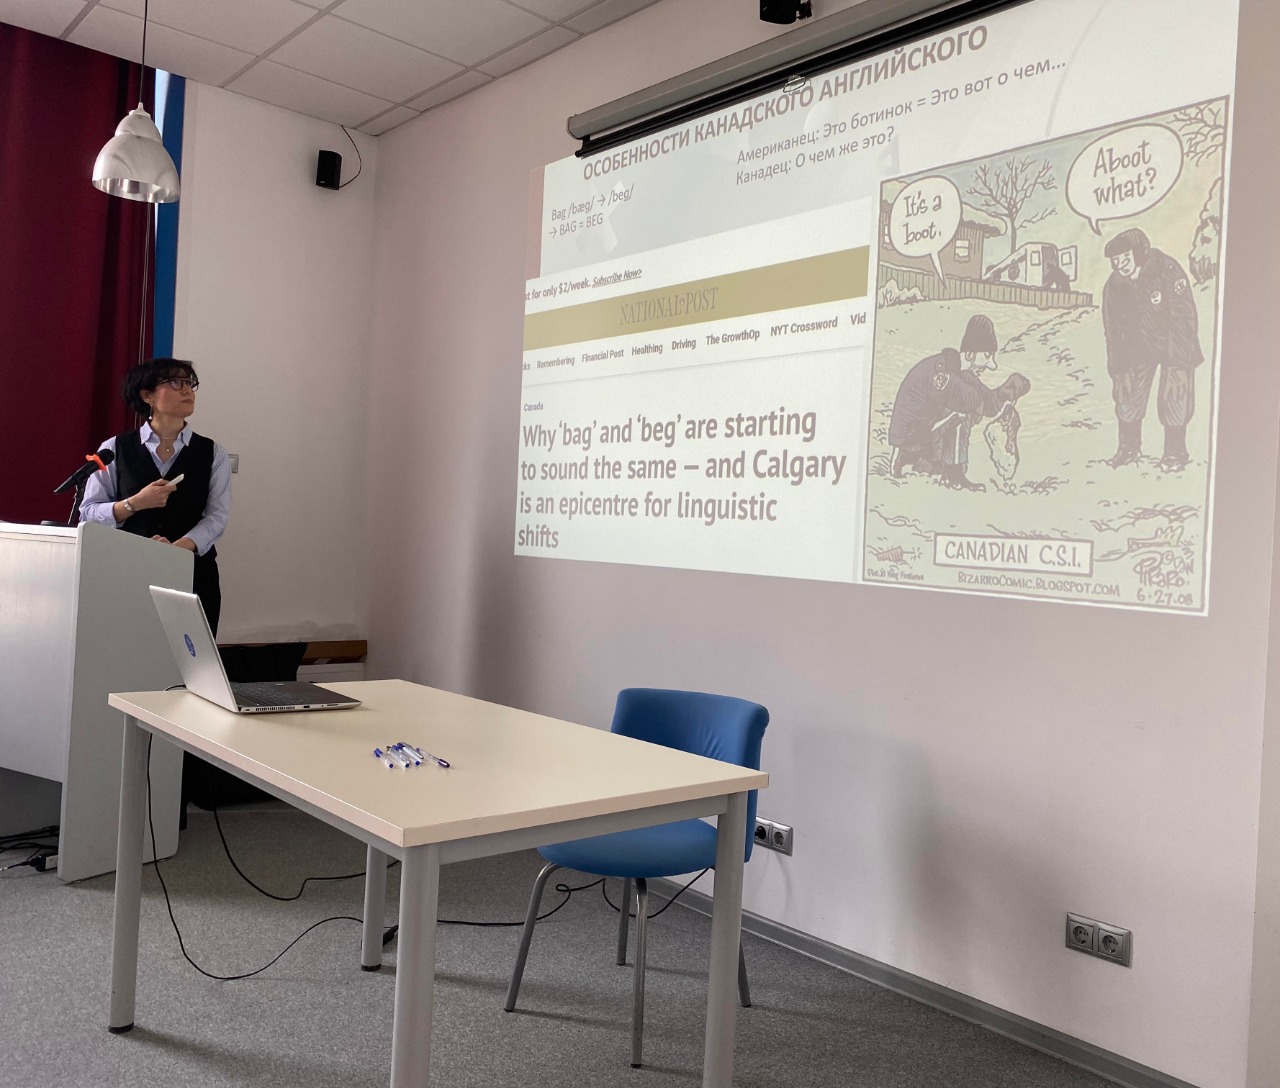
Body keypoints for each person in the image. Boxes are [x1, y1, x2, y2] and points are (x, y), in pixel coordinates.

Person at [80, 358, 231, 634]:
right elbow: (88, 511)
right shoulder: (115, 448)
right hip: (129, 571)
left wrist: (177, 550)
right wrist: (134, 503)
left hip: (193, 575)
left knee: (192, 655)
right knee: (128, 648)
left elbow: (217, 517)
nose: (187, 390)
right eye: (174, 382)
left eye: (189, 383)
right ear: (147, 395)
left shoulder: (213, 452)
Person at [888, 314, 1030, 491]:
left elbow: (986, 403)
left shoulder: (960, 374)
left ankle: (932, 466)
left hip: (928, 439)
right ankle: (952, 474)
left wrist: (1004, 393)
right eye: (987, 356)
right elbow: (969, 401)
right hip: (912, 440)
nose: (991, 365)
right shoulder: (940, 372)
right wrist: (982, 398)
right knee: (962, 414)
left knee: (965, 408)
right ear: (970, 354)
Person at [1101, 227, 1203, 470]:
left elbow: (1184, 319)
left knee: (1175, 395)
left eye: (1125, 258)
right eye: (1115, 261)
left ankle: (1175, 454)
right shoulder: (1114, 285)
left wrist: (1179, 364)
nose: (1120, 265)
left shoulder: (1166, 270)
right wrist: (1118, 370)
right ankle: (1129, 449)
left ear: (1139, 253)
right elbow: (1113, 332)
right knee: (1127, 395)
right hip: (1139, 349)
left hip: (1173, 345)